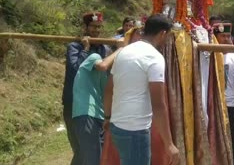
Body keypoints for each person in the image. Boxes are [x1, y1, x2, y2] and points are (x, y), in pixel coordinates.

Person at [103, 14, 180, 165]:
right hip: (135, 130)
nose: (167, 41)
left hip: (118, 126)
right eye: (168, 36)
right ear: (162, 33)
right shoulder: (154, 58)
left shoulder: (124, 52)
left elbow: (109, 89)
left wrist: (107, 117)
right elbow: (158, 104)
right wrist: (169, 144)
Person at [63, 12, 111, 165]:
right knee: (81, 150)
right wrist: (85, 49)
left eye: (99, 27)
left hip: (98, 107)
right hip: (75, 106)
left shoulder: (105, 49)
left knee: (98, 150)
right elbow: (75, 70)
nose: (96, 31)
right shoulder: (75, 47)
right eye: (93, 27)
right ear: (85, 27)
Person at [72, 48, 123, 165]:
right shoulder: (94, 57)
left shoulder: (106, 77)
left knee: (94, 158)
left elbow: (108, 96)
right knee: (93, 159)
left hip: (98, 116)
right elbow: (103, 65)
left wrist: (107, 118)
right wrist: (120, 49)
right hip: (87, 113)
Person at [213, 22, 234, 165]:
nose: (227, 39)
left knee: (232, 140)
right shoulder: (207, 54)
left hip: (229, 105)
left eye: (228, 36)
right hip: (212, 104)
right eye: (223, 36)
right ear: (215, 37)